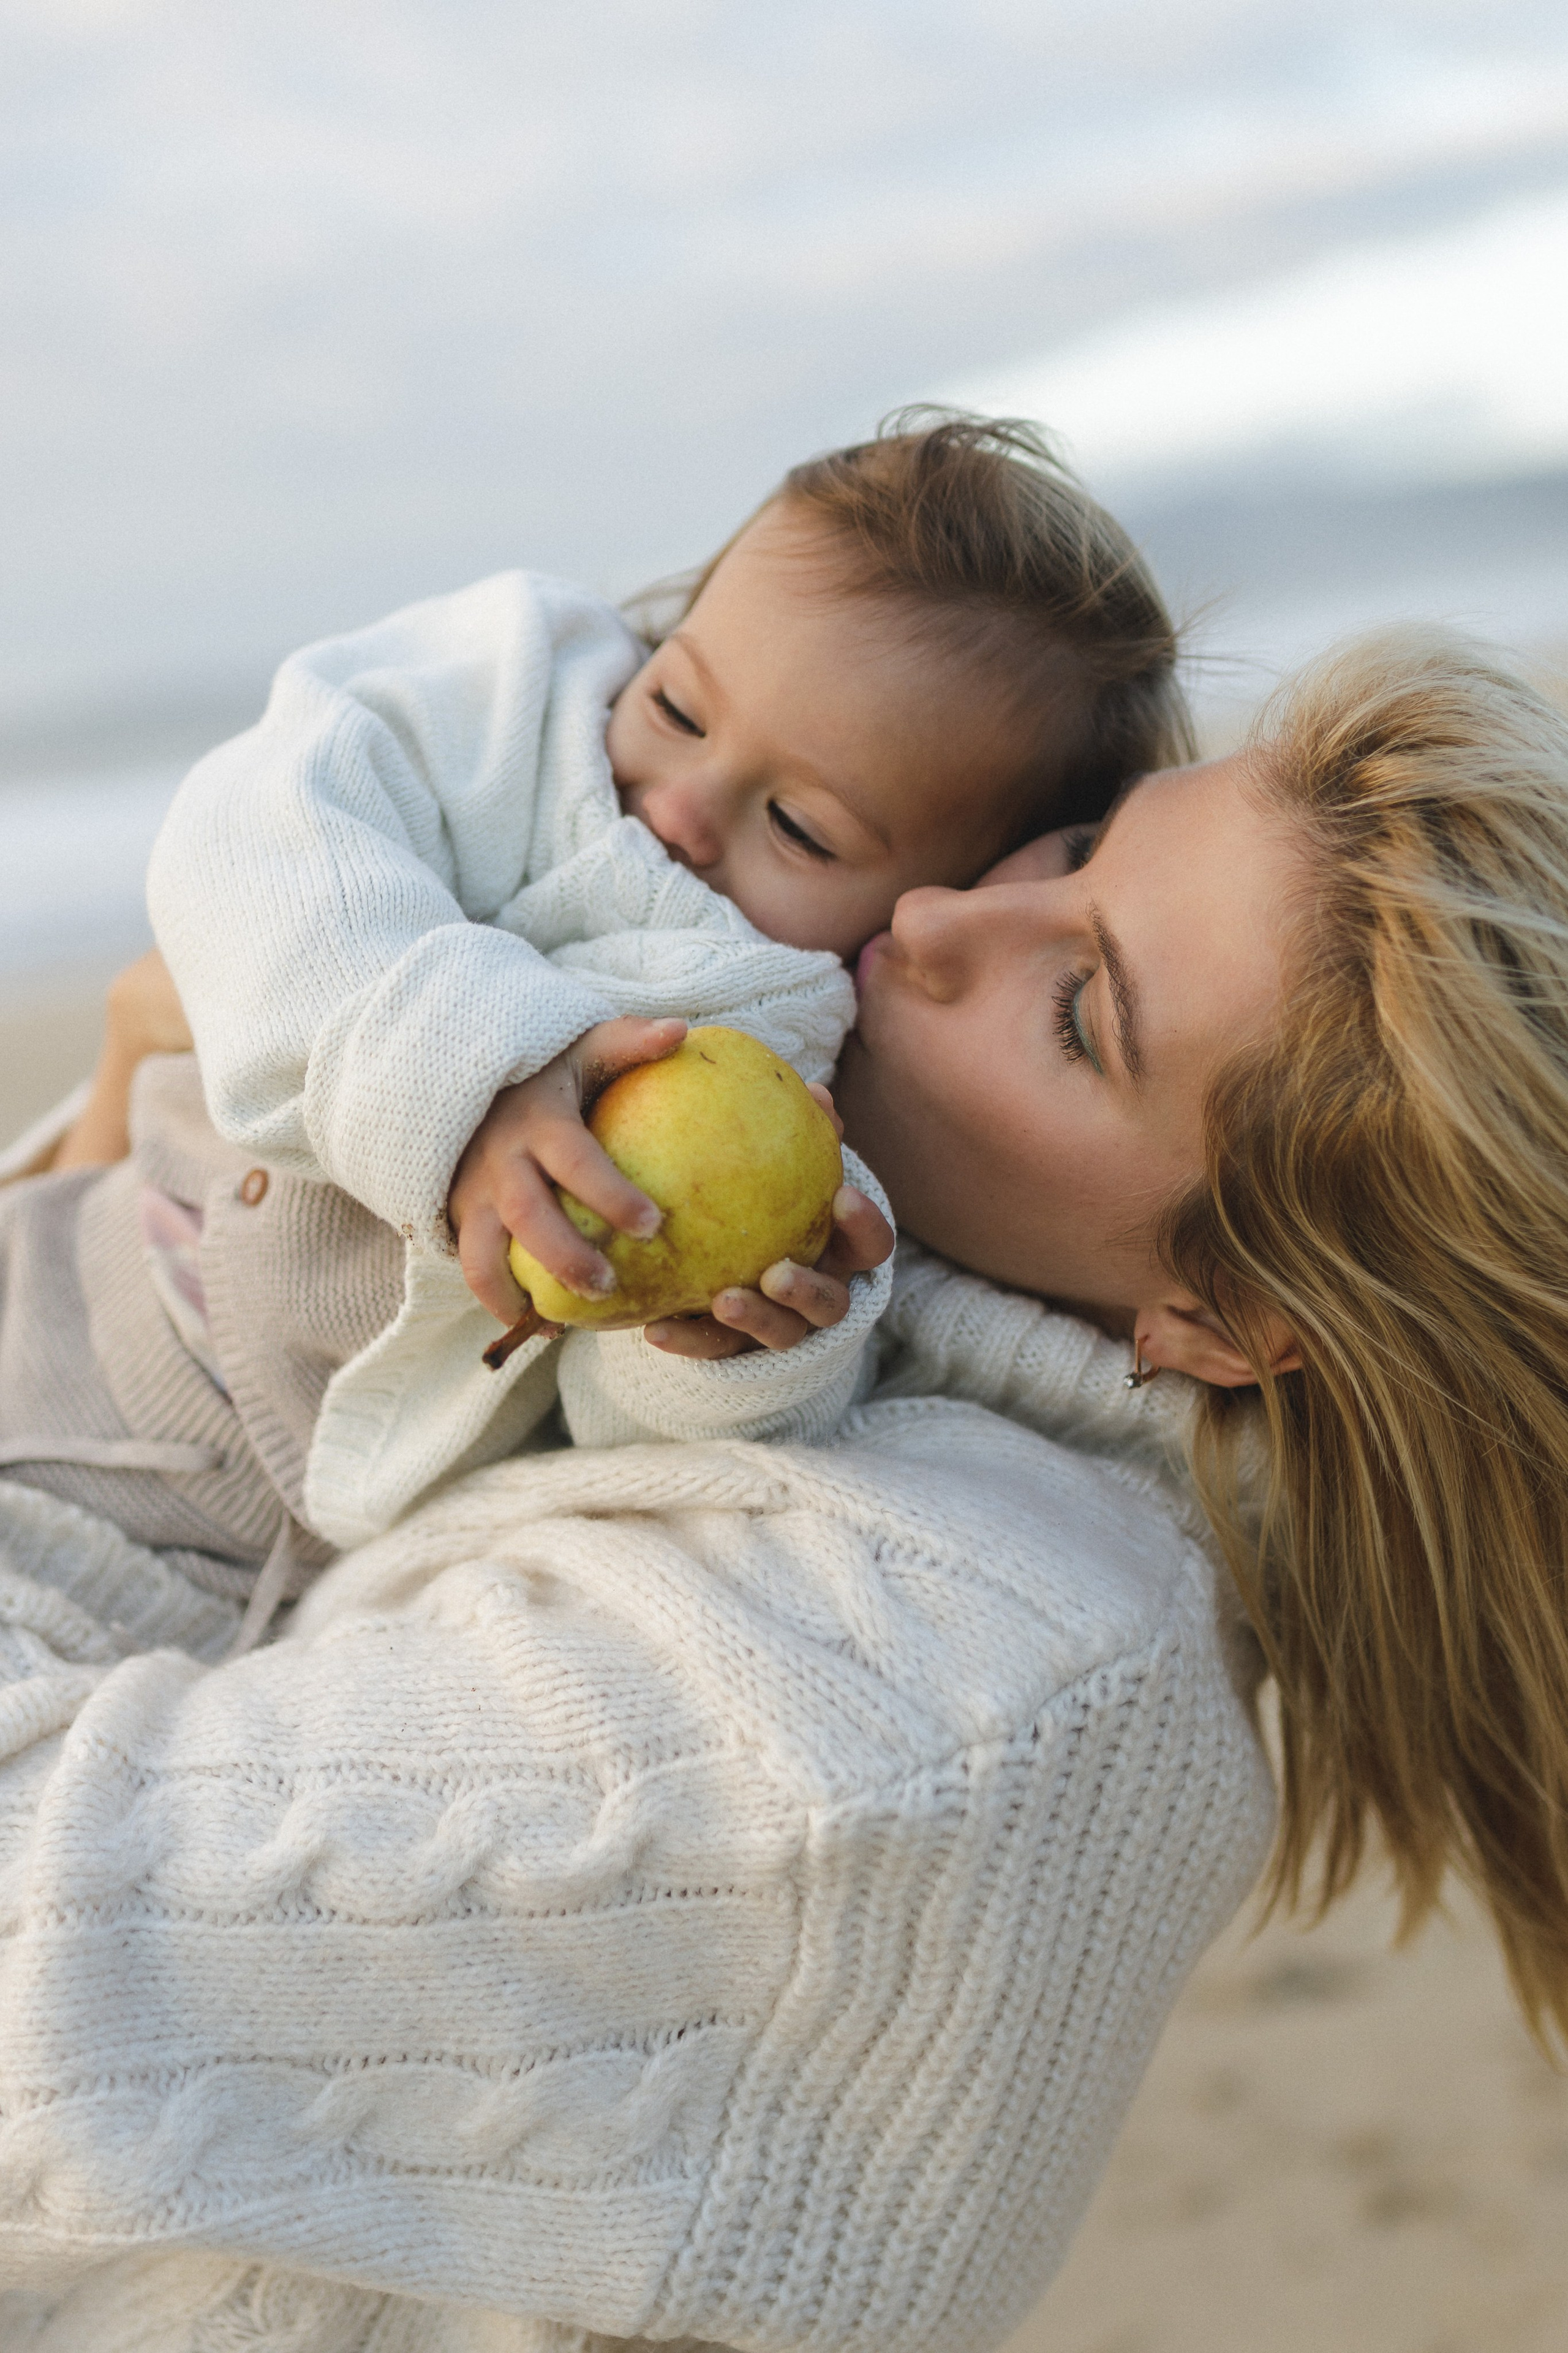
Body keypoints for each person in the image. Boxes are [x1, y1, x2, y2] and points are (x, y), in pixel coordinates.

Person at [4, 624, 1564, 2353]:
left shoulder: (913, 1690)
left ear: (1231, 1317)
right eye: (1074, 847)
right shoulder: (867, 1377)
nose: (935, 918)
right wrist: (127, 1145)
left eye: (1077, 1013)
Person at [0, 414, 1191, 1632]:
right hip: (66, 1257)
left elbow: (608, 1430)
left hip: (220, 1534)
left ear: (926, 899)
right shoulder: (525, 697)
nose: (678, 807)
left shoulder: (787, 1068)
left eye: (801, 829)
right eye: (677, 705)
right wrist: (476, 1075)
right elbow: (260, 824)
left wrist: (736, 1353)